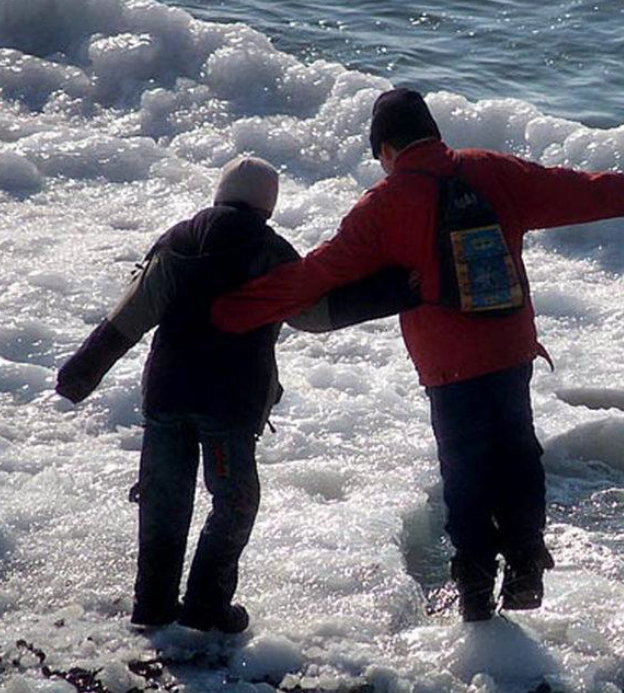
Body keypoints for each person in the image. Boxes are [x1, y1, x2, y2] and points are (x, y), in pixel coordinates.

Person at [211, 88, 624, 621]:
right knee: (517, 454)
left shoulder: (386, 203)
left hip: (448, 365)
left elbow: (318, 273)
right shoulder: (492, 171)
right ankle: (525, 566)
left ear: (385, 149)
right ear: (432, 131)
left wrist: (234, 309)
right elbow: (576, 189)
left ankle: (473, 588)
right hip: (510, 347)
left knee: (465, 469)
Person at [56, 156, 419, 633]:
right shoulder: (271, 252)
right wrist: (400, 289)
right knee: (234, 501)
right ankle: (207, 604)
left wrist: (80, 375)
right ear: (268, 206)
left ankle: (152, 607)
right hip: (229, 406)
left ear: (220, 192)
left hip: (168, 395)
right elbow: (316, 315)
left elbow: (127, 318)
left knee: (164, 499)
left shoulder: (178, 242)